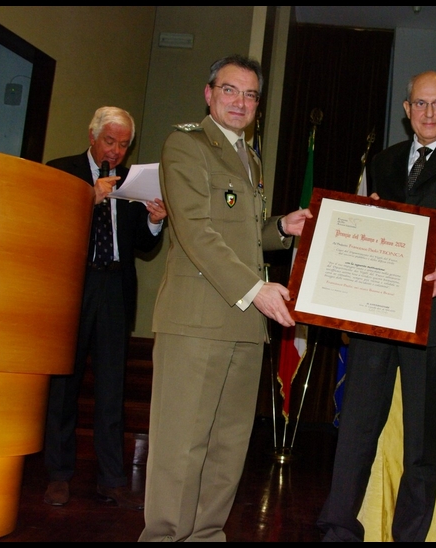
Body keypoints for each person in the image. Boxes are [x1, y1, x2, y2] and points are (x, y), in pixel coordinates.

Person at [317, 70, 436, 542]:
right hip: (376, 315)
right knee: (356, 427)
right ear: (406, 110)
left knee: (422, 442)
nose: (428, 113)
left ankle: (408, 537)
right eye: (419, 104)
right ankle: (338, 527)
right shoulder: (384, 161)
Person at [138, 54, 313, 542]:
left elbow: (240, 235)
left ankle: (206, 536)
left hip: (242, 325)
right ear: (209, 93)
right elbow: (196, 231)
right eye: (230, 90)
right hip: (196, 322)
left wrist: (279, 227)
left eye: (251, 94)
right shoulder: (186, 144)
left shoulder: (248, 155)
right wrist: (256, 289)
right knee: (182, 446)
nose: (241, 102)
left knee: (227, 446)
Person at [43, 106, 167, 510]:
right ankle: (58, 475)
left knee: (113, 386)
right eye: (110, 141)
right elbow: (51, 226)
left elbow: (144, 247)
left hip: (115, 285)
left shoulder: (133, 183)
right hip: (74, 285)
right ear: (92, 136)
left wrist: (154, 221)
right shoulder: (61, 171)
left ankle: (112, 477)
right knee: (65, 384)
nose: (116, 151)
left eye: (124, 144)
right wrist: (88, 199)